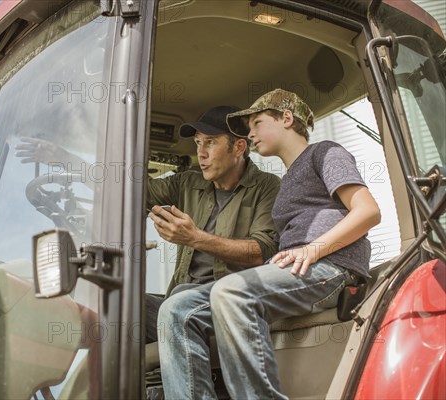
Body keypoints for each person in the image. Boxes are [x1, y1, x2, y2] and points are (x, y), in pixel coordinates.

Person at [158, 89, 382, 399]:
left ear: (286, 118)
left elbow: (368, 212)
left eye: (256, 123)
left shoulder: (325, 152)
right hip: (294, 270)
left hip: (330, 267)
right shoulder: (287, 179)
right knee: (176, 307)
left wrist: (313, 249)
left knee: (230, 291)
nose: (249, 135)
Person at [146, 105, 281, 344]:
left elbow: (261, 252)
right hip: (180, 297)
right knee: (120, 307)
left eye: (210, 142)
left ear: (239, 147)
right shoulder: (189, 182)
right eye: (198, 143)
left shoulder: (267, 187)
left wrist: (194, 238)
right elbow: (139, 192)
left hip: (228, 302)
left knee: (178, 299)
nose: (201, 153)